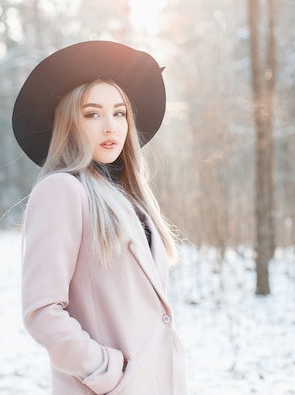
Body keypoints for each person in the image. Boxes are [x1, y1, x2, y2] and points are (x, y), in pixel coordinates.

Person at [12, 40, 188, 395]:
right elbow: (42, 311)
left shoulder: (131, 200)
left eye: (119, 113)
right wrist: (107, 371)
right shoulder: (62, 191)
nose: (110, 127)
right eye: (92, 114)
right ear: (69, 122)